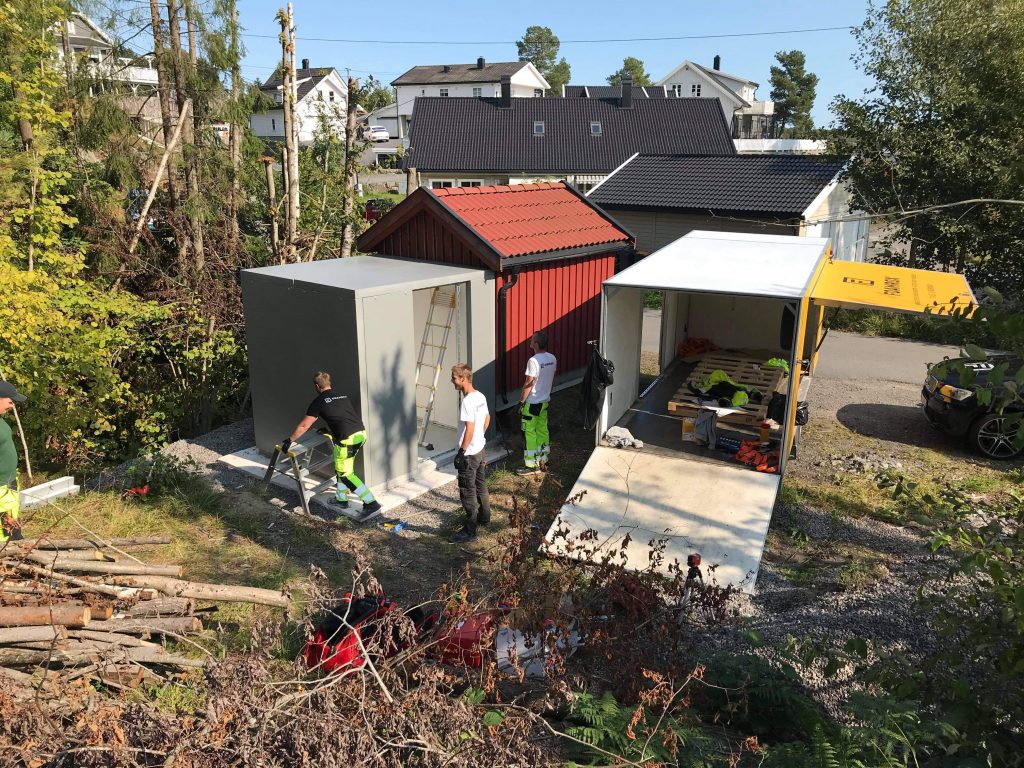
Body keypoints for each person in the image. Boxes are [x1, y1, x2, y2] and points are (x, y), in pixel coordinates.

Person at [284, 371, 382, 522]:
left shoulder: (318, 402)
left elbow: (304, 426)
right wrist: (330, 431)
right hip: (360, 434)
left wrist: (289, 440)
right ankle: (341, 499)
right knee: (343, 468)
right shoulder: (342, 396)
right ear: (329, 383)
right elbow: (342, 417)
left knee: (345, 474)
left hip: (347, 439)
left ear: (317, 386)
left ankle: (371, 503)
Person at [449, 363, 491, 544]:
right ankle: (485, 517)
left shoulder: (467, 401)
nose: (452, 381)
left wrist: (462, 451)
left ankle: (470, 531)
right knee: (480, 484)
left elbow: (470, 428)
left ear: (463, 378)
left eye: (454, 378)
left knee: (468, 490)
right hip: (480, 450)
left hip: (470, 454)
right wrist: (480, 438)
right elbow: (487, 418)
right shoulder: (480, 396)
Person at [518, 330, 557, 475]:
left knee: (529, 432)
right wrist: (546, 394)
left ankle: (531, 465)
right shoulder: (552, 358)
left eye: (532, 339)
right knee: (542, 430)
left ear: (536, 344)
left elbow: (528, 383)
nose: (530, 340)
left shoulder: (533, 361)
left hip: (532, 403)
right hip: (544, 402)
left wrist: (521, 402)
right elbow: (552, 378)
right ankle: (543, 461)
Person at [0, 381, 26, 542]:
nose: (12, 405)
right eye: (10, 401)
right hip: (1, 489)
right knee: (5, 536)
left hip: (8, 486)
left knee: (13, 532)